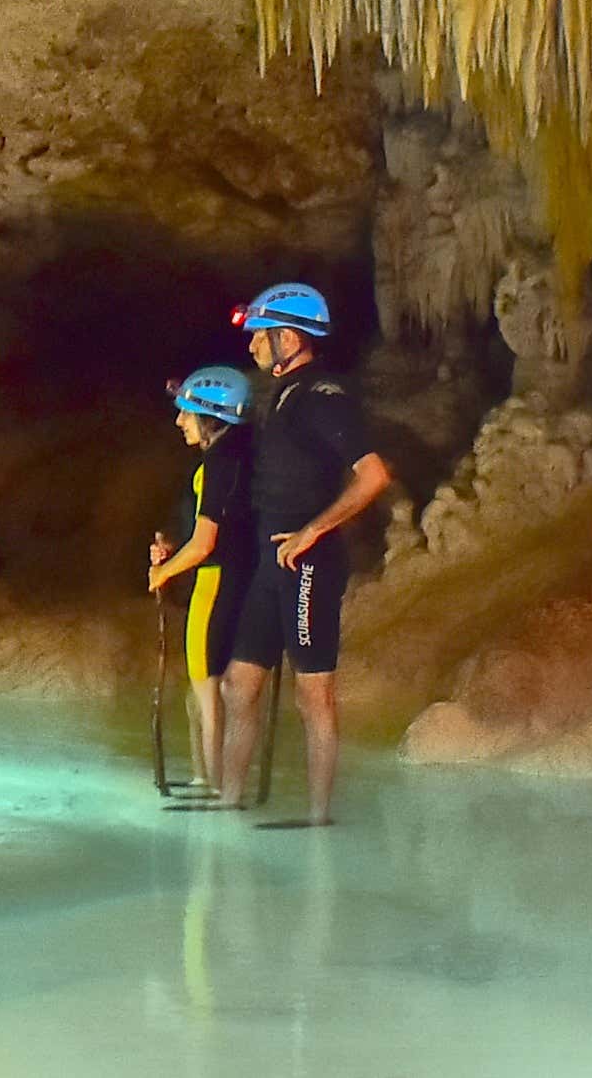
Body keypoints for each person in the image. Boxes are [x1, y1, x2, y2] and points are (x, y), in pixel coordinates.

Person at [213, 283, 391, 828]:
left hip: (307, 563)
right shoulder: (284, 396)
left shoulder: (321, 396)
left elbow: (374, 475)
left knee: (314, 696)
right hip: (274, 564)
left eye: (259, 339)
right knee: (237, 685)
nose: (251, 349)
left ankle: (318, 822)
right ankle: (228, 806)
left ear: (288, 337)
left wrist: (311, 532)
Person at [147, 365, 255, 796]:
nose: (179, 421)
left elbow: (206, 542)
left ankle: (216, 791)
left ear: (210, 415)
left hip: (214, 586)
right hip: (239, 581)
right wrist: (174, 546)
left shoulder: (216, 464)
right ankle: (209, 778)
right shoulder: (243, 457)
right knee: (206, 698)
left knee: (208, 695)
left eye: (186, 412)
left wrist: (164, 571)